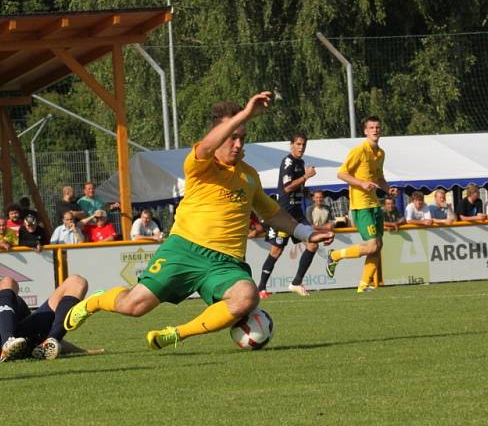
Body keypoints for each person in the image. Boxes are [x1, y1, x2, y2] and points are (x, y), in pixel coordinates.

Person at [62, 91, 332, 350]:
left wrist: (306, 232)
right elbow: (206, 146)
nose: (238, 144)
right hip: (184, 250)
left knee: (247, 297)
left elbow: (271, 212)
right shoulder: (200, 163)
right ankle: (95, 302)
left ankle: (177, 334)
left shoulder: (249, 176)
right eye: (232, 137)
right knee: (135, 306)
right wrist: (246, 114)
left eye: (243, 139)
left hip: (225, 263)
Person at [325, 116, 390, 293]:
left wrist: (388, 189)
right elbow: (341, 173)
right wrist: (361, 183)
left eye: (378, 127)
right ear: (365, 131)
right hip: (361, 206)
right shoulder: (359, 150)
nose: (375, 130)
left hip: (374, 204)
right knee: (372, 246)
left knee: (378, 246)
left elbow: (379, 177)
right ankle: (334, 255)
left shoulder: (380, 153)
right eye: (371, 127)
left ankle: (363, 286)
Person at [257, 133, 320, 298]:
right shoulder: (288, 162)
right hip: (284, 213)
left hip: (297, 212)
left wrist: (307, 192)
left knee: (313, 243)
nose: (301, 147)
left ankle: (296, 282)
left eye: (303, 145)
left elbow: (297, 186)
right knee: (276, 250)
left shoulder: (300, 162)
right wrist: (306, 176)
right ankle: (261, 288)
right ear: (291, 144)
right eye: (298, 144)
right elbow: (286, 188)